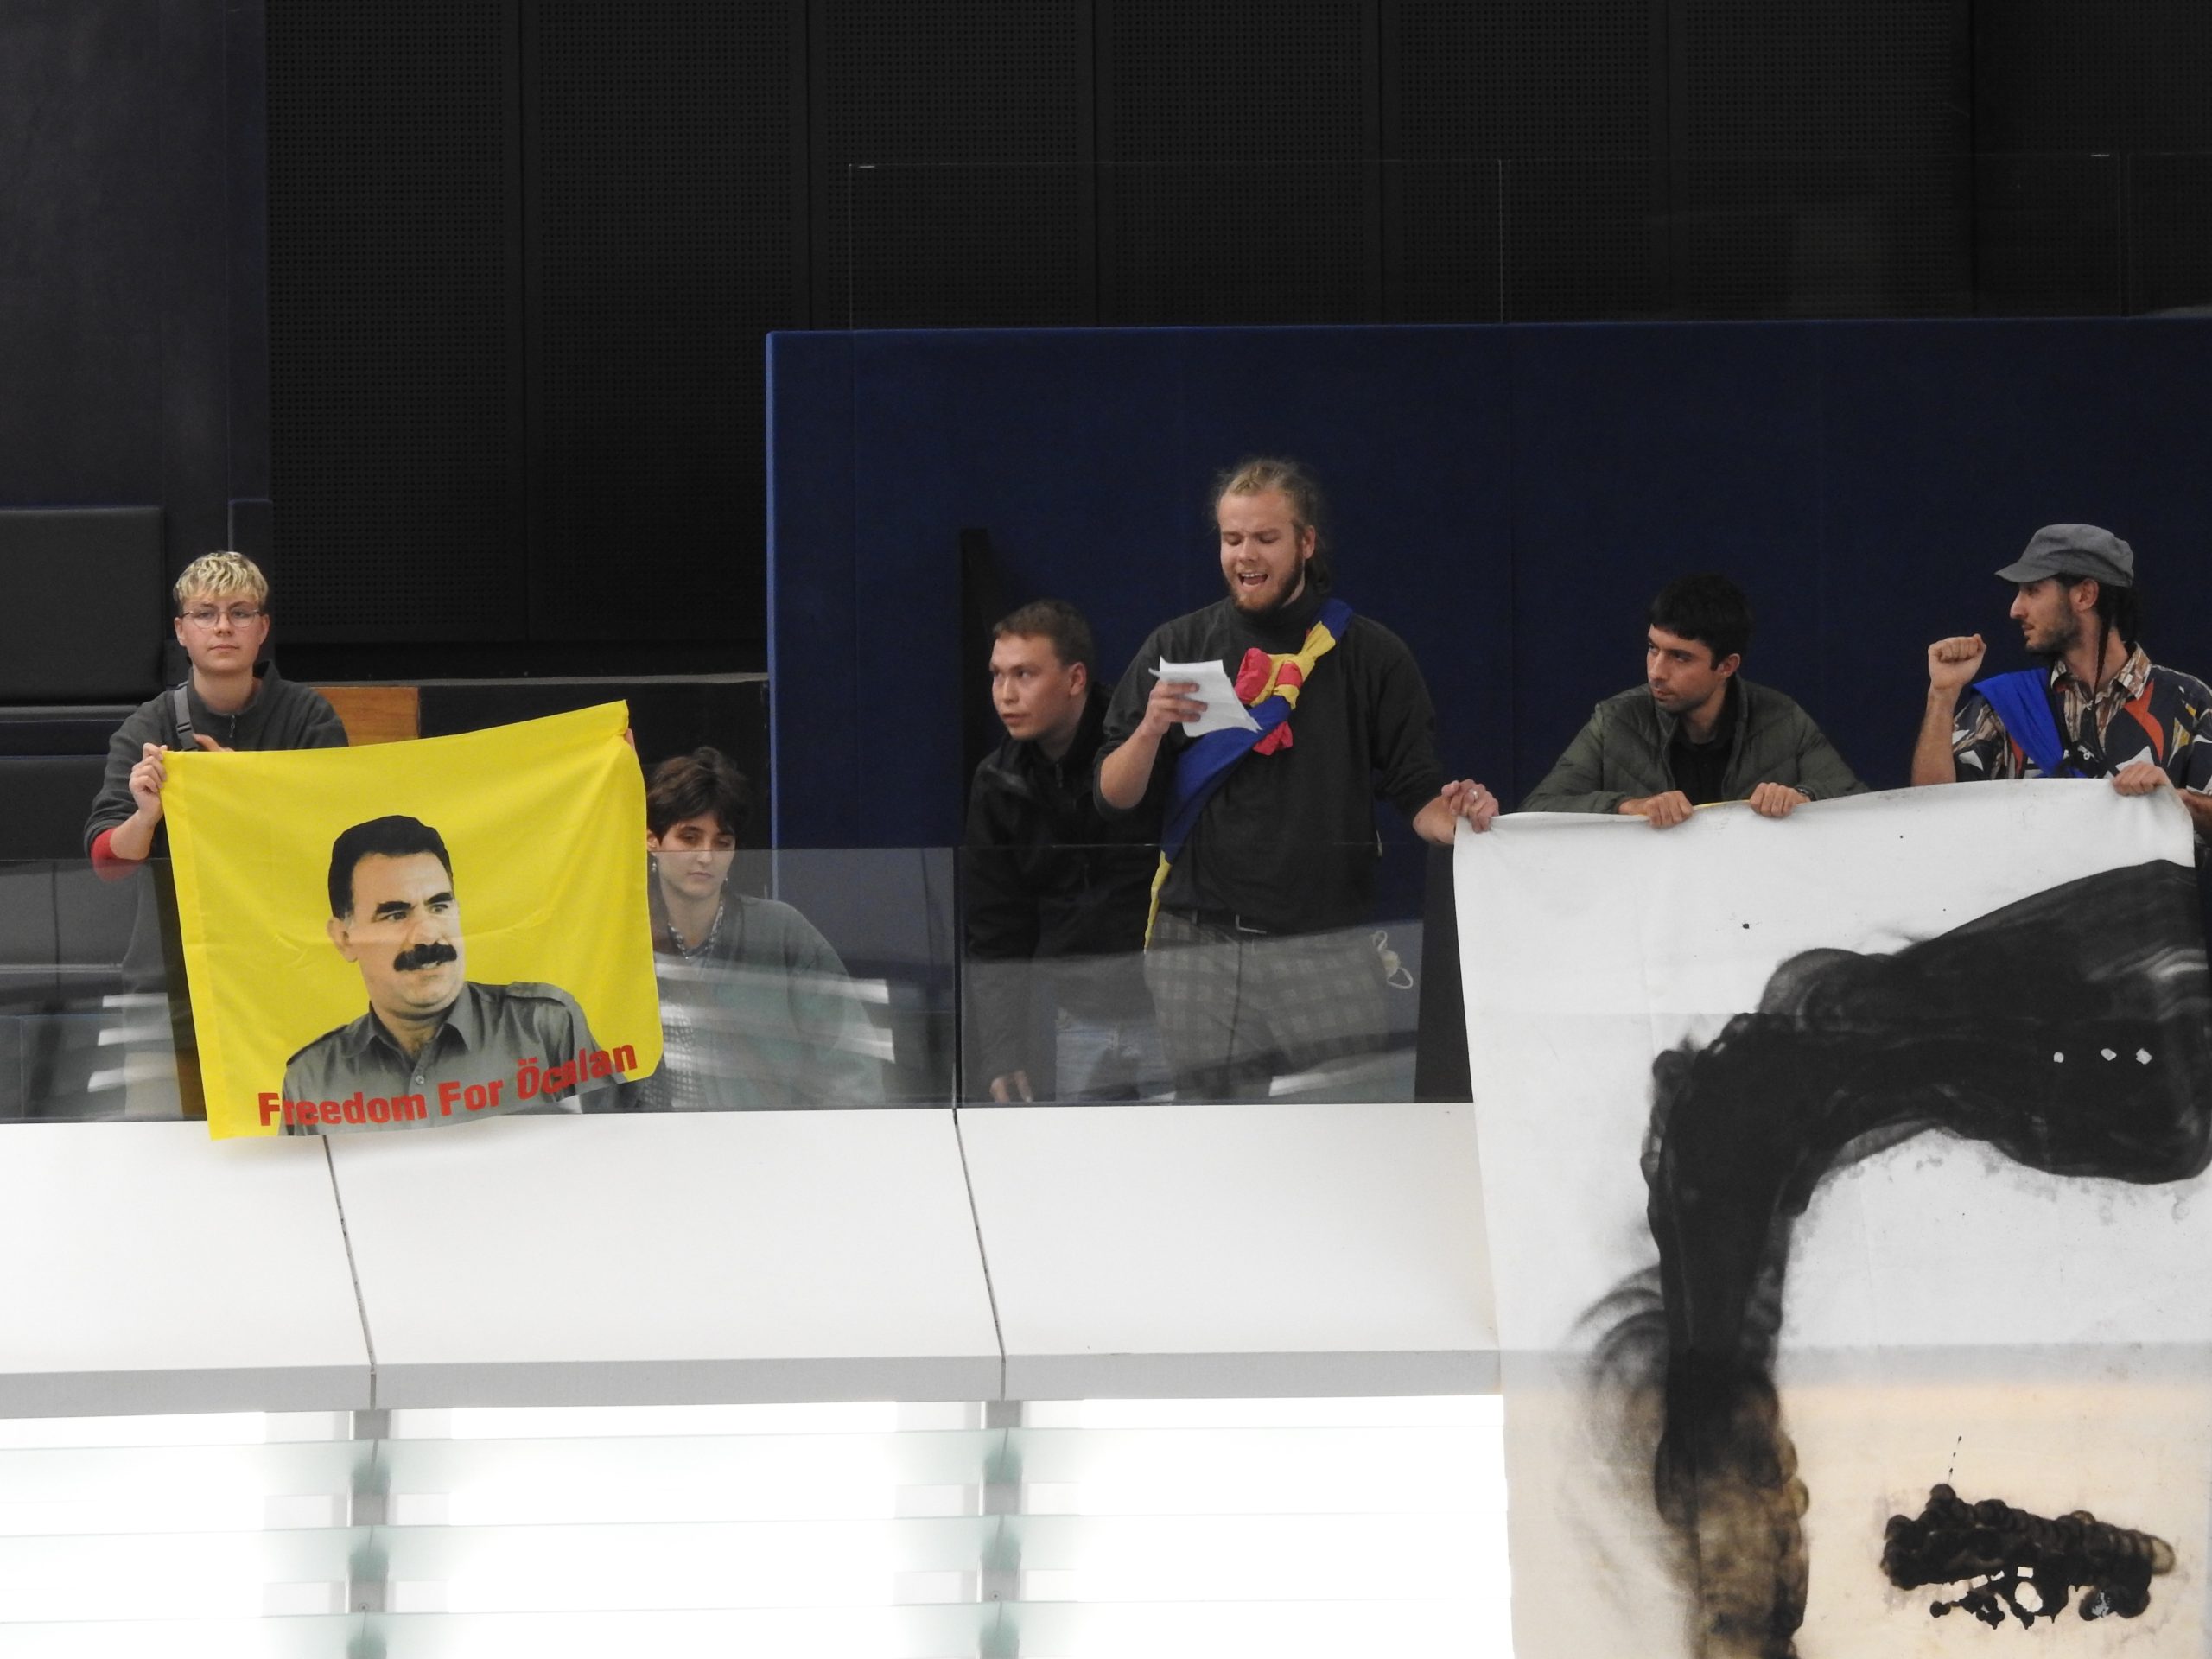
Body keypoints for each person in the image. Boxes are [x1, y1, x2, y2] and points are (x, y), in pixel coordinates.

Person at [1095, 456, 1499, 1100]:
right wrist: (1148, 730)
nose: (1245, 556)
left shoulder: (1372, 655)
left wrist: (1460, 819)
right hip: (1198, 943)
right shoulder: (1178, 645)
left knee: (1346, 1130)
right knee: (1213, 1139)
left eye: (1265, 538)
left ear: (1306, 543)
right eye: (1232, 539)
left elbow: (1416, 792)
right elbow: (1113, 798)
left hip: (1325, 946)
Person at [278, 815, 619, 1129]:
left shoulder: (546, 1029)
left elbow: (623, 1148)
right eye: (396, 915)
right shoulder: (311, 1081)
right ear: (344, 938)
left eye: (439, 906)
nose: (428, 935)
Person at [965, 599, 1165, 1102]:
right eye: (997, 675)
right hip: (1073, 1015)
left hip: (1168, 1009)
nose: (1005, 695)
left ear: (1075, 679)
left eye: (1024, 674)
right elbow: (994, 929)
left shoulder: (1148, 747)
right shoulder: (997, 781)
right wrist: (1001, 1052)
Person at [1911, 524, 2212, 839]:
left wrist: (2175, 801)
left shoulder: (2189, 702)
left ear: (2084, 595)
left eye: (2032, 590)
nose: (2015, 609)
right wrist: (1942, 694)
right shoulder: (2006, 705)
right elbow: (1930, 815)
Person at [626, 747, 885, 1109]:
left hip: (762, 1140)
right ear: (652, 841)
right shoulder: (622, 941)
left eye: (722, 842)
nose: (706, 856)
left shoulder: (782, 932)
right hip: (648, 1142)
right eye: (689, 837)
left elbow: (852, 1067)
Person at [1522, 572, 1866, 823]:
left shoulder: (1783, 719)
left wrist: (1804, 798)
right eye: (1653, 648)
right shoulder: (1614, 720)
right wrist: (1628, 807)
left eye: (1680, 657)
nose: (1656, 671)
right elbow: (1537, 809)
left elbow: (1861, 805)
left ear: (1727, 666)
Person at [85, 551, 347, 869]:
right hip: (180, 901)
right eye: (205, 614)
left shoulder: (308, 716)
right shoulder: (148, 726)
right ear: (181, 631)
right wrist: (145, 818)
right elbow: (106, 866)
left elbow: (340, 837)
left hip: (286, 895)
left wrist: (249, 789)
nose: (223, 627)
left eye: (240, 613)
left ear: (263, 628)